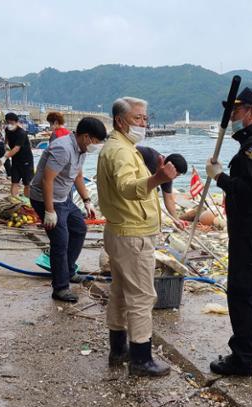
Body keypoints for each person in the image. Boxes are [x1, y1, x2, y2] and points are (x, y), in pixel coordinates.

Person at [97, 96, 178, 377]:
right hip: (132, 236)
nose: (143, 123)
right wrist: (157, 179)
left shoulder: (122, 147)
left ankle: (118, 348)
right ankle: (141, 359)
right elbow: (126, 187)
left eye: (145, 118)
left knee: (120, 293)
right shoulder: (120, 151)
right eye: (137, 118)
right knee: (143, 296)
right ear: (120, 121)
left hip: (120, 231)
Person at [205, 87, 252, 376]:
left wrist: (221, 177)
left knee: (243, 293)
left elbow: (251, 192)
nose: (233, 117)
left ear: (250, 112)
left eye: (236, 112)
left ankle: (243, 358)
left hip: (251, 230)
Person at [30, 117, 106, 303]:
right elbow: (47, 180)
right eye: (96, 142)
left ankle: (69, 270)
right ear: (87, 137)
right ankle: (60, 288)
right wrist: (49, 211)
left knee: (79, 229)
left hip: (64, 198)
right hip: (46, 199)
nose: (97, 146)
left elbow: (77, 175)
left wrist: (87, 200)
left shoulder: (81, 149)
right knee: (60, 242)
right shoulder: (63, 148)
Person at [136, 146, 188, 222]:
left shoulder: (168, 177)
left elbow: (168, 199)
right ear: (170, 166)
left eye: (176, 176)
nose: (174, 177)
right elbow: (130, 149)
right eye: (176, 175)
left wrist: (176, 220)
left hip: (140, 190)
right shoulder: (149, 155)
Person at [0, 113, 34, 197]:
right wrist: (6, 145)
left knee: (27, 183)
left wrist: (5, 157)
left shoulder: (21, 133)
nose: (10, 124)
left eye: (12, 123)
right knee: (14, 181)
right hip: (15, 160)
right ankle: (14, 199)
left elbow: (16, 148)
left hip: (26, 160)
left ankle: (28, 200)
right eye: (8, 122)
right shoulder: (7, 130)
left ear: (16, 122)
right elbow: (7, 139)